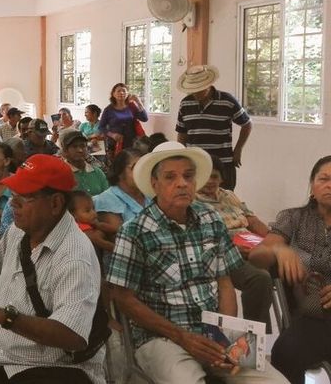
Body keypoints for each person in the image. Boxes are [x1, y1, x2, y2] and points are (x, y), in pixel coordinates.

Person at [106, 141, 287, 384]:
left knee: (276, 382)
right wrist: (182, 336)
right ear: (154, 183)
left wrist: (224, 334)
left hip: (214, 331)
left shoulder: (211, 219)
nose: (182, 183)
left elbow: (224, 282)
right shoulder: (134, 231)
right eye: (170, 177)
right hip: (162, 338)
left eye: (188, 176)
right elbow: (123, 299)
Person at [0, 154, 105, 384]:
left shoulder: (74, 257)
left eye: (25, 196)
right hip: (5, 361)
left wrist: (2, 316)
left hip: (55, 368)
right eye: (13, 194)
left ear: (55, 203)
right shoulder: (20, 229)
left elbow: (72, 335)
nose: (13, 203)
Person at [249, 155, 331, 384]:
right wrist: (278, 249)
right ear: (312, 187)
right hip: (311, 319)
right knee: (286, 353)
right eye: (324, 179)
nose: (330, 185)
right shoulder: (293, 218)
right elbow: (256, 257)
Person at [197, 155, 273, 329]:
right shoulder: (193, 201)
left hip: (251, 246)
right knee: (259, 278)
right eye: (206, 176)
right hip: (223, 252)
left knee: (292, 268)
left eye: (214, 176)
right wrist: (234, 248)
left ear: (222, 178)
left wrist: (273, 240)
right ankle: (253, 333)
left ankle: (294, 326)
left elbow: (253, 221)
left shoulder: (229, 195)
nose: (210, 181)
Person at [176, 65, 252, 191]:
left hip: (223, 163)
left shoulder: (227, 101)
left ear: (208, 85)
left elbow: (247, 124)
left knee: (224, 198)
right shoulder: (185, 103)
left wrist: (238, 149)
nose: (196, 93)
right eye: (193, 90)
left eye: (199, 89)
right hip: (196, 163)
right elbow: (182, 133)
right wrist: (181, 157)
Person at [92, 148, 146, 226]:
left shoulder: (150, 194)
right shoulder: (105, 200)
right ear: (120, 171)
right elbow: (120, 232)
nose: (141, 173)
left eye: (144, 168)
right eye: (136, 168)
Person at [97, 83, 148, 159]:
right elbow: (101, 127)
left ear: (127, 93)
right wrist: (113, 135)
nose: (121, 93)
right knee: (118, 162)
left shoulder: (131, 106)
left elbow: (144, 118)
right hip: (115, 142)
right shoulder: (108, 109)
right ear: (113, 94)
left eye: (124, 91)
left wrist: (138, 102)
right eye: (118, 91)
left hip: (132, 141)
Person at [60, 131, 109, 196]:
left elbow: (107, 196)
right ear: (65, 150)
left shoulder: (97, 172)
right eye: (74, 147)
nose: (80, 150)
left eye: (83, 146)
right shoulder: (62, 175)